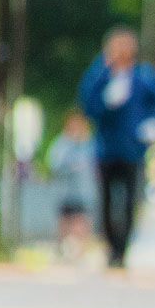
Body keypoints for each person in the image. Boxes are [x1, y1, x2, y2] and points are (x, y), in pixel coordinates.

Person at [78, 26, 155, 268]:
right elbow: (88, 105)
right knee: (106, 200)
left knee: (131, 200)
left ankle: (123, 248)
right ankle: (110, 246)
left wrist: (152, 125)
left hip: (133, 149)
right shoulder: (98, 75)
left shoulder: (144, 76)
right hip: (106, 148)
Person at [46, 110, 96, 259]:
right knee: (64, 221)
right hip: (64, 191)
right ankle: (61, 252)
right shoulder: (61, 143)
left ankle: (81, 253)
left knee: (82, 220)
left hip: (83, 191)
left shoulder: (89, 144)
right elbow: (54, 163)